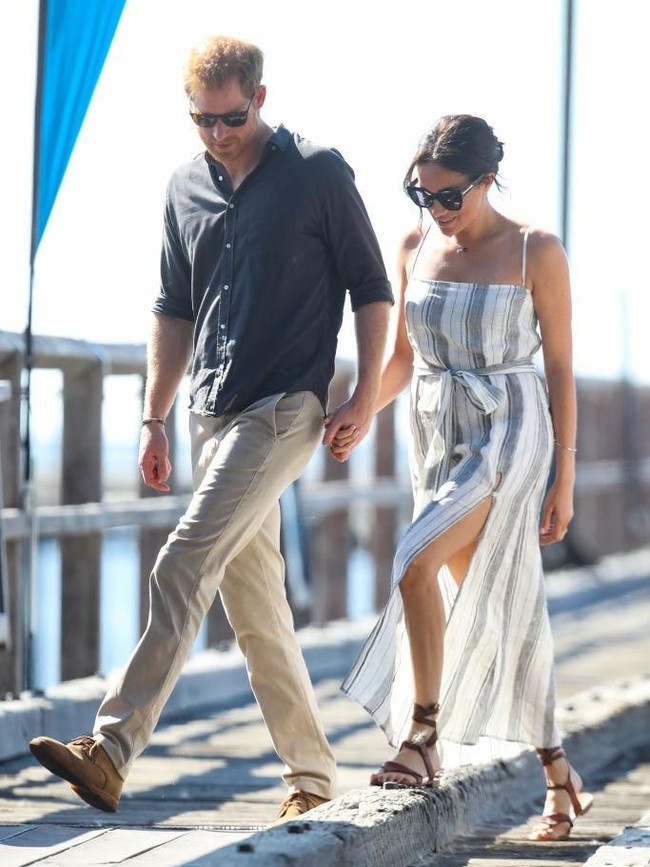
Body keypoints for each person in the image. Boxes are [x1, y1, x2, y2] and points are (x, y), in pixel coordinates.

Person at [29, 34, 392, 824]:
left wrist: (363, 393)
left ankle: (111, 748)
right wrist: (154, 417)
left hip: (286, 408)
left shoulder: (318, 172)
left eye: (229, 118)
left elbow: (371, 288)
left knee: (181, 561)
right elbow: (172, 309)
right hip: (208, 413)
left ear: (260, 98)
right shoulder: (183, 186)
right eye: (202, 120)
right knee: (257, 609)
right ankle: (312, 775)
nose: (217, 134)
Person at [330, 114, 592, 841]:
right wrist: (361, 406)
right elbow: (406, 359)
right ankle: (559, 773)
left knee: (414, 557)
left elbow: (562, 369)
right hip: (437, 432)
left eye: (450, 196)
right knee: (504, 603)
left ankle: (422, 734)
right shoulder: (415, 243)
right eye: (423, 194)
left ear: (486, 181)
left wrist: (563, 479)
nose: (436, 209)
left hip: (509, 432)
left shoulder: (536, 250)